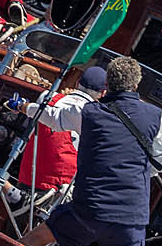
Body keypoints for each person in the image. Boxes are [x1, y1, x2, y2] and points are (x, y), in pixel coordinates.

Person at [22, 56, 162, 246]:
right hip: (130, 218)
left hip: (89, 210)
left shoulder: (89, 112)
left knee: (32, 241)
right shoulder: (155, 116)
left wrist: (24, 108)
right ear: (136, 85)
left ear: (107, 85)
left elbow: (52, 118)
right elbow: (156, 162)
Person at [14, 65, 108, 208]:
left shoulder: (46, 97)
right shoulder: (95, 118)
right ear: (102, 93)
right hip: (59, 195)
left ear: (77, 83)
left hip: (28, 180)